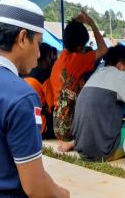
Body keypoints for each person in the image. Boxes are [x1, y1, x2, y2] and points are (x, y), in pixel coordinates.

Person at [0, 0, 68, 197]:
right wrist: (62, 194)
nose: (39, 53)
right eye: (39, 43)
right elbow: (35, 186)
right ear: (23, 38)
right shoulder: (21, 96)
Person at [73, 45, 125, 162]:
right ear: (120, 65)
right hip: (104, 152)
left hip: (82, 150)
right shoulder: (120, 76)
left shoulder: (96, 74)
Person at [50, 12, 108, 152]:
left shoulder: (61, 59)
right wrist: (92, 24)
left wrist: (75, 22)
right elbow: (103, 49)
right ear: (79, 47)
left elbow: (70, 36)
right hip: (70, 128)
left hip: (57, 124)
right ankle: (77, 142)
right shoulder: (78, 59)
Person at [24, 43, 56, 139]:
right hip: (41, 128)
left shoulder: (24, 72)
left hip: (24, 124)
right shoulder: (45, 78)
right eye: (51, 57)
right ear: (47, 57)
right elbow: (52, 107)